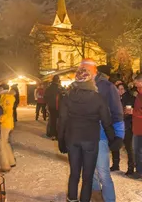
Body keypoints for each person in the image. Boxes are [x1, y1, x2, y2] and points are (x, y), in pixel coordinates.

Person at [58, 67, 119, 202]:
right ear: (91, 80)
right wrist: (112, 139)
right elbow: (106, 121)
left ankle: (71, 199)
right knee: (88, 175)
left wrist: (61, 139)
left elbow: (62, 119)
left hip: (72, 139)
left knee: (74, 173)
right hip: (90, 140)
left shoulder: (67, 97)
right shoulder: (98, 98)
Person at [80, 61, 125, 202]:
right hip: (82, 135)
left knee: (103, 172)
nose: (84, 71)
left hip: (101, 136)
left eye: (87, 69)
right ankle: (96, 196)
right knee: (89, 170)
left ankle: (109, 199)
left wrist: (119, 135)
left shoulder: (107, 87)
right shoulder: (78, 86)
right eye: (82, 69)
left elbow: (117, 112)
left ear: (94, 70)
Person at [110, 82, 135, 176]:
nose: (120, 91)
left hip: (127, 125)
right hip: (116, 125)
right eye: (118, 89)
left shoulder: (130, 98)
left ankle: (131, 168)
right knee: (115, 145)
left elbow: (130, 112)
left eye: (122, 89)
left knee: (129, 147)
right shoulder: (114, 99)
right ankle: (115, 164)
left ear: (125, 89)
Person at [0, 84, 16, 172]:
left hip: (5, 124)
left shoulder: (7, 97)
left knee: (0, 144)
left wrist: (0, 119)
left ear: (3, 89)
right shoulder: (4, 96)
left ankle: (5, 165)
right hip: (6, 123)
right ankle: (11, 161)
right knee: (5, 142)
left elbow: (8, 112)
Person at [45, 75, 62, 141]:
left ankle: (52, 134)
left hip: (51, 106)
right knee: (58, 121)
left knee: (52, 120)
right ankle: (57, 134)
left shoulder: (49, 88)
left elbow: (45, 97)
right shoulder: (60, 88)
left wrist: (47, 104)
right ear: (58, 80)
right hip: (59, 106)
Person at [132, 74, 142, 179]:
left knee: (138, 150)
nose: (134, 84)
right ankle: (139, 171)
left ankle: (140, 172)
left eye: (136, 82)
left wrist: (133, 112)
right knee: (137, 150)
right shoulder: (138, 94)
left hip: (140, 128)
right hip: (137, 127)